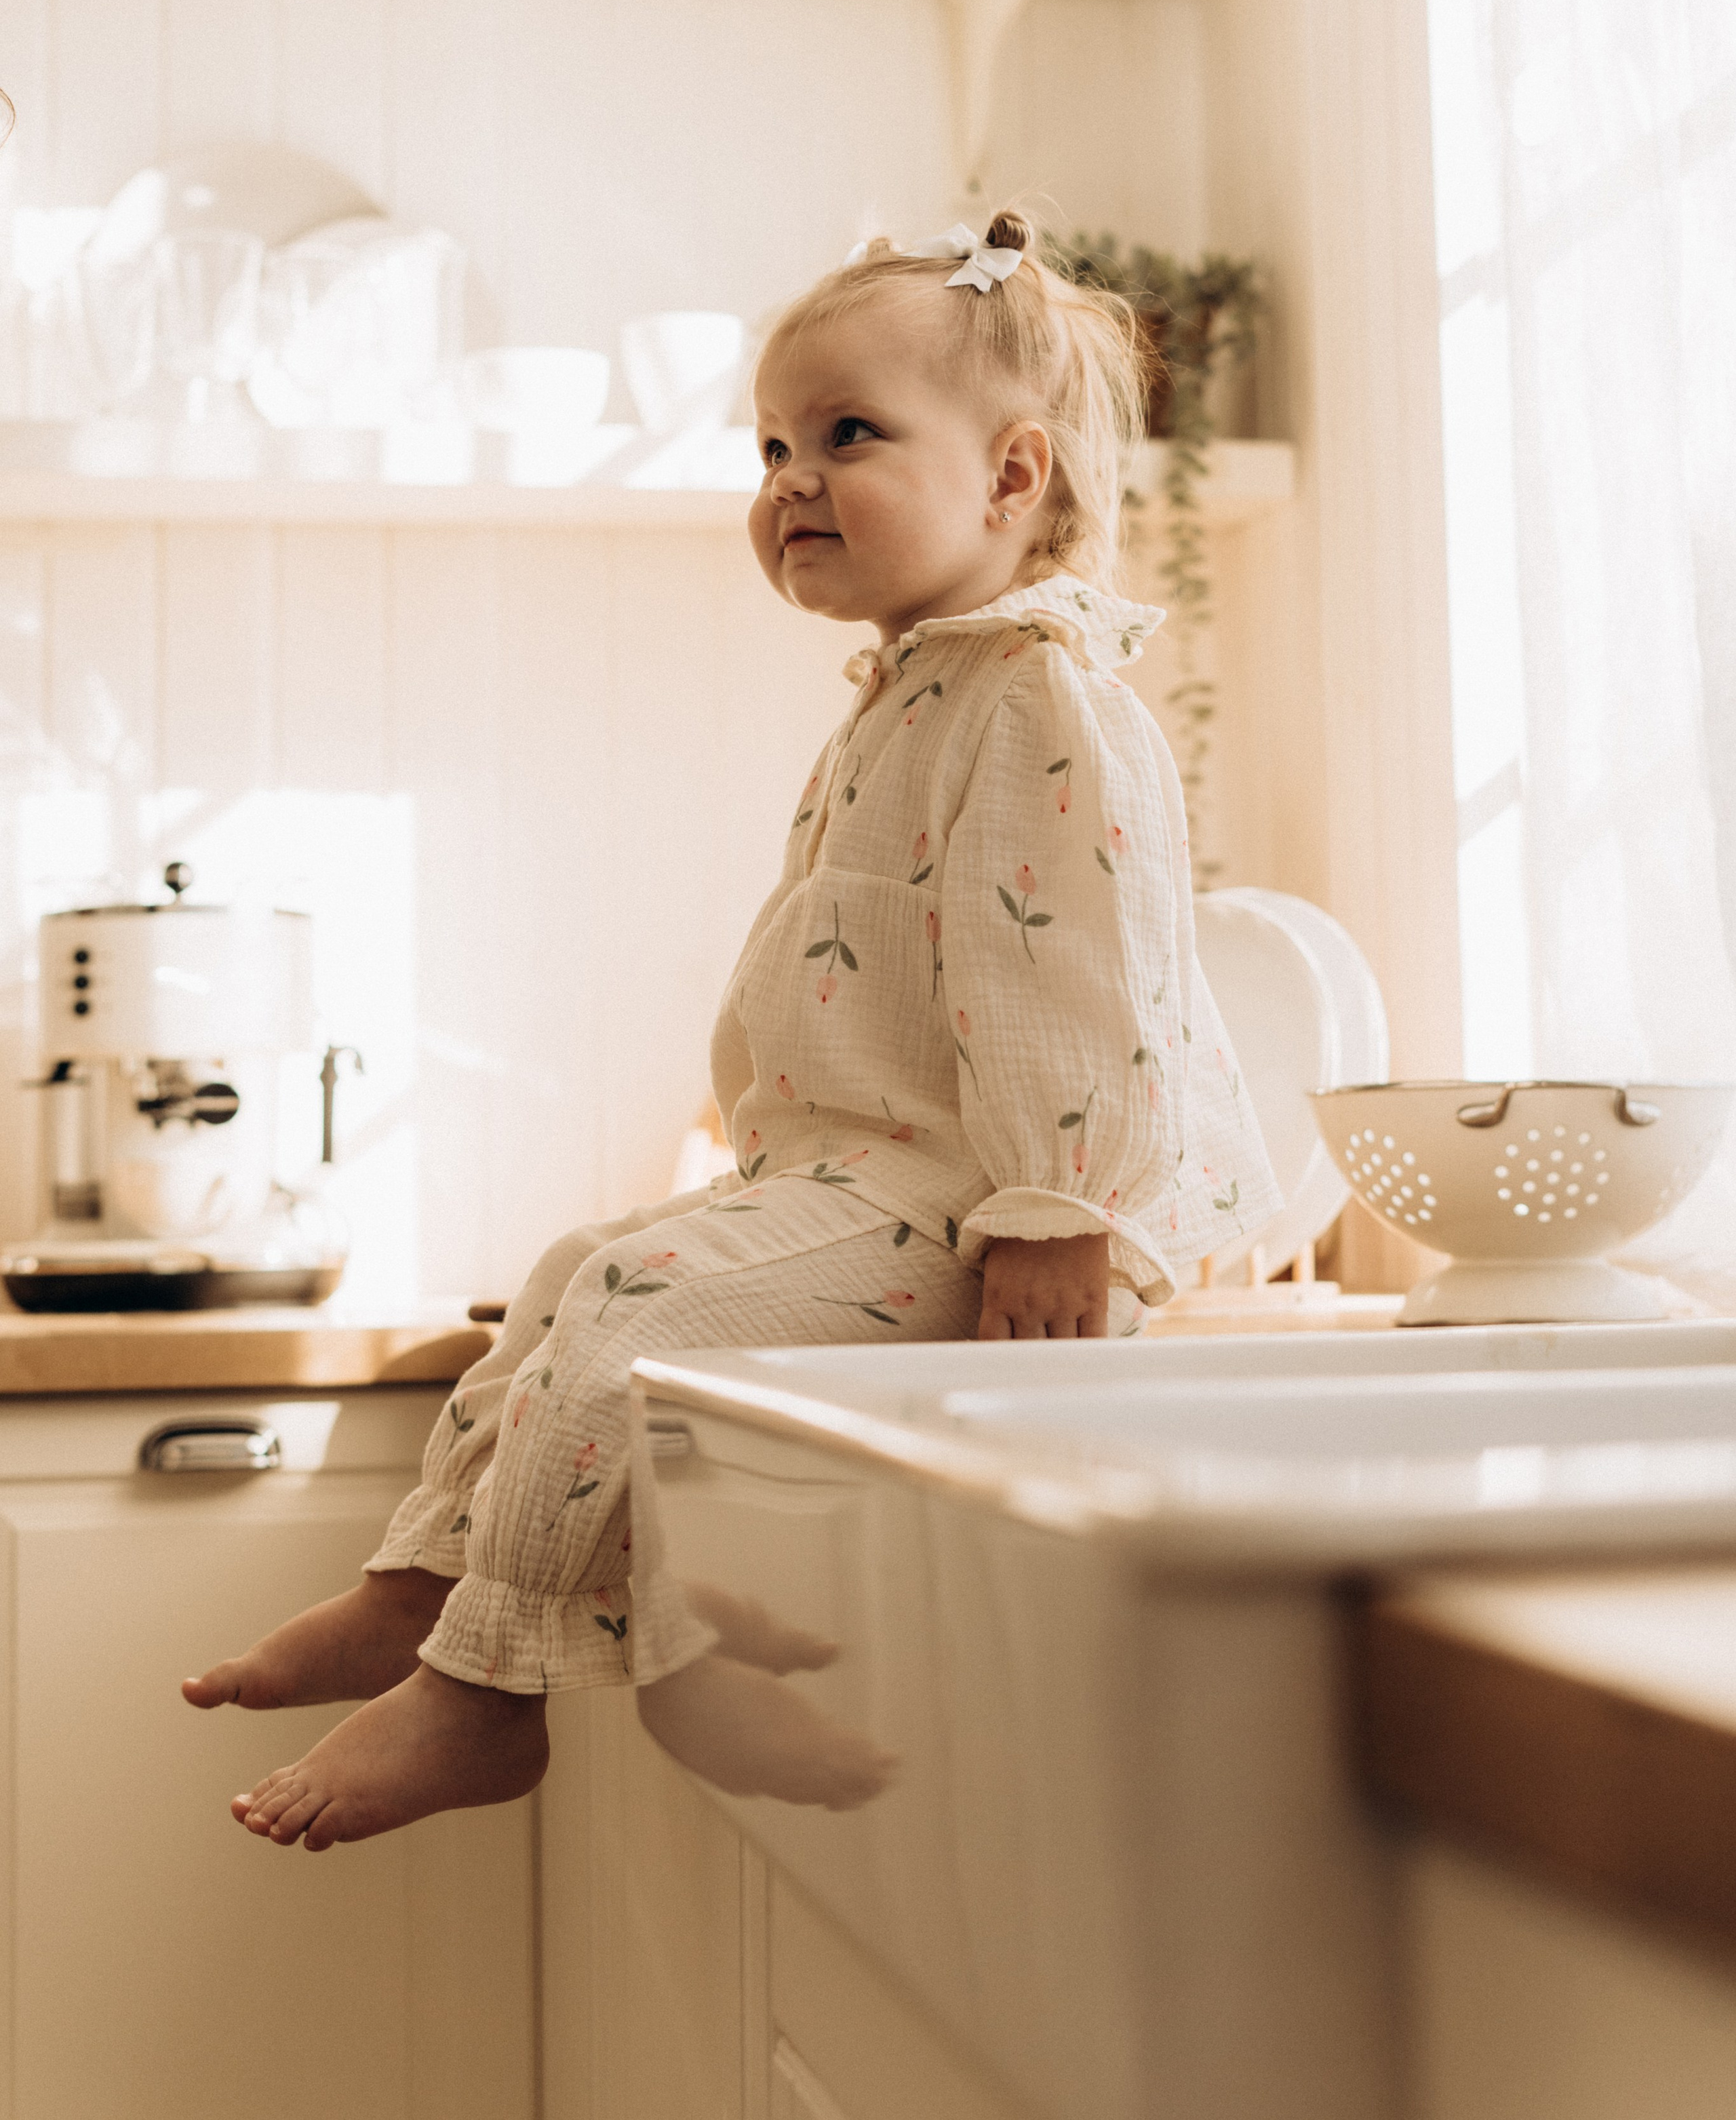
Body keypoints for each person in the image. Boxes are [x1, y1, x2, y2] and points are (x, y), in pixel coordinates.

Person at [184, 209, 1280, 1850]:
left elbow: (1088, 975)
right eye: (770, 442)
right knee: (573, 1268)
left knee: (628, 1298)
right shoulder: (915, 687)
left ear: (1009, 478)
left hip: (979, 1210)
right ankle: (418, 1588)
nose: (788, 477)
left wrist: (1064, 1207)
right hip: (857, 1178)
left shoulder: (1043, 693)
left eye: (848, 434)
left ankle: (486, 1695)